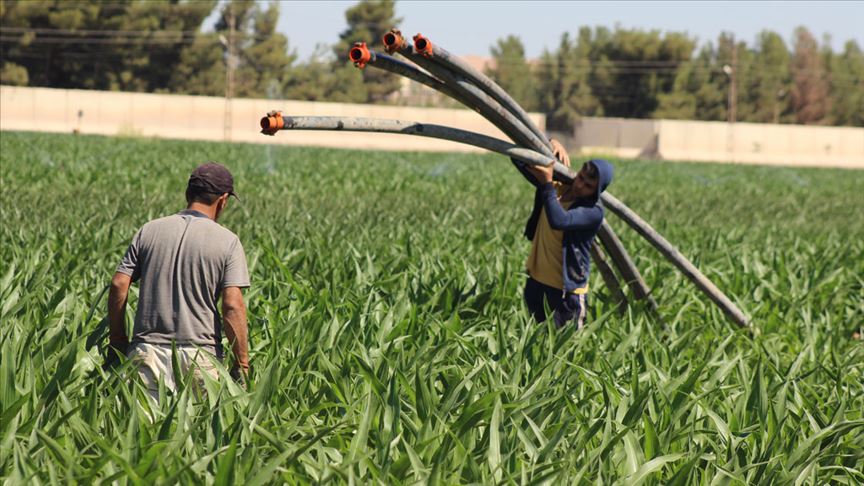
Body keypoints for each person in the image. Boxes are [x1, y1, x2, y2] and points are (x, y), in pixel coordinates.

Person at [106, 162, 250, 399]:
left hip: (147, 350)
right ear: (223, 200)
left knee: (145, 433)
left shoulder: (149, 230)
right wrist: (242, 363)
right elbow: (232, 305)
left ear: (187, 194)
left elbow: (119, 284)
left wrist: (118, 341)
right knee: (201, 432)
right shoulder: (228, 241)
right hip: (200, 356)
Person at [513, 140, 613, 329]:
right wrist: (549, 145)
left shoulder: (592, 211)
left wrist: (547, 184)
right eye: (581, 177)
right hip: (536, 284)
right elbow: (518, 158)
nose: (580, 185)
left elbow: (559, 220)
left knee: (565, 351)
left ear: (597, 191)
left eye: (588, 185)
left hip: (565, 296)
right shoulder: (559, 187)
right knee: (533, 348)